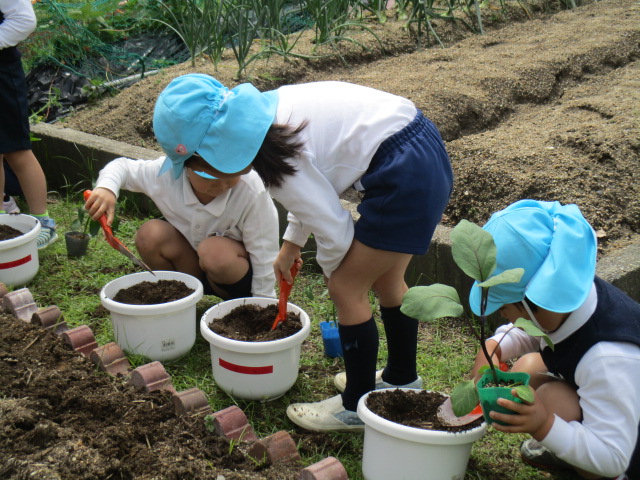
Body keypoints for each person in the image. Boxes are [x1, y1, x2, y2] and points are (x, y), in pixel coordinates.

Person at [152, 73, 454, 431]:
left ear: (216, 149)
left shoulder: (278, 155)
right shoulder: (270, 117)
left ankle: (355, 407)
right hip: (418, 149)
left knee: (346, 287)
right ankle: (402, 378)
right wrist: (291, 243)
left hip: (403, 173)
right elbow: (314, 186)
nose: (208, 179)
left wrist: (335, 274)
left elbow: (332, 226)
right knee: (388, 280)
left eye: (198, 168)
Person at [467, 199, 640, 480]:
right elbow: (530, 330)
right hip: (611, 406)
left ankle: (580, 463)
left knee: (550, 401)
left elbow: (614, 458)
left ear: (541, 298)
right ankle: (568, 447)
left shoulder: (607, 356)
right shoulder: (571, 298)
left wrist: (544, 424)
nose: (505, 317)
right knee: (527, 367)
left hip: (626, 457)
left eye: (505, 308)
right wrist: (494, 346)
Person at [84, 153, 280, 300]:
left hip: (232, 272)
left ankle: (234, 303)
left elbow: (264, 250)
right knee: (150, 235)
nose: (222, 186)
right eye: (210, 178)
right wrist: (107, 188)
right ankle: (183, 298)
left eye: (231, 177)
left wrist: (264, 302)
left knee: (214, 252)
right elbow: (123, 167)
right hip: (190, 265)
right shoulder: (167, 174)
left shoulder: (251, 190)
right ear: (185, 165)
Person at [0, 0, 57, 247]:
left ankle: (43, 221)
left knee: (17, 150)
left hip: (1, 74)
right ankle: (3, 221)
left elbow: (24, 20)